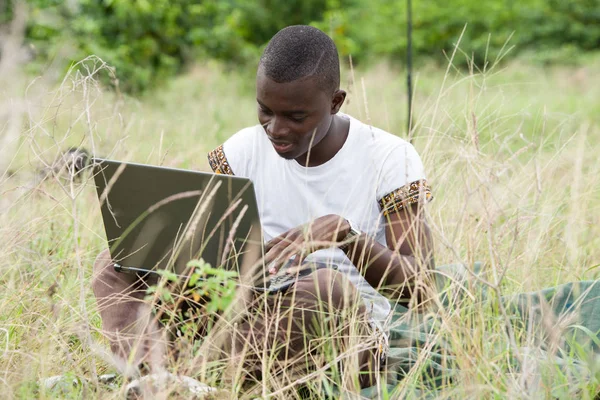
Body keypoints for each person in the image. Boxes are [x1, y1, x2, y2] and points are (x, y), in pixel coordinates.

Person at [92, 25, 434, 391]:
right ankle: (150, 376)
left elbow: (423, 292)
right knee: (119, 258)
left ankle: (188, 381)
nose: (276, 129)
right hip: (250, 314)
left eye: (296, 117)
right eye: (265, 110)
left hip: (347, 336)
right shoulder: (244, 150)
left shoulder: (389, 158)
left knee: (325, 286)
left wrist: (345, 236)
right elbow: (202, 244)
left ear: (335, 102)